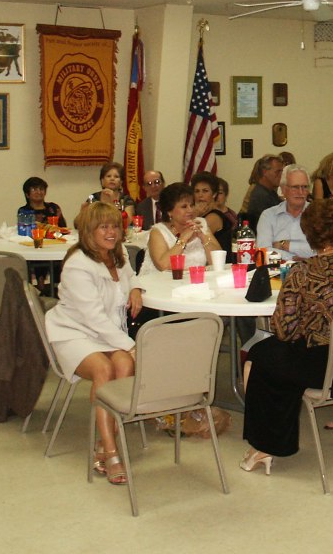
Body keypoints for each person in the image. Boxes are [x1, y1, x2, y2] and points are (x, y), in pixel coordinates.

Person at [240, 199, 333, 473]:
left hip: (324, 367)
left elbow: (284, 330)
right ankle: (271, 439)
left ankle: (265, 445)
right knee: (273, 354)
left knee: (259, 355)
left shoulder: (303, 272)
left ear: (310, 233)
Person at [44, 202, 142, 485]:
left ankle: (103, 439)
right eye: (104, 227)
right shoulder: (77, 265)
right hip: (73, 332)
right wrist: (131, 344)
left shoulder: (119, 253)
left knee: (124, 363)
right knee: (104, 370)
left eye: (115, 226)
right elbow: (93, 318)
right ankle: (111, 452)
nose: (112, 233)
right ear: (88, 232)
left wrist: (135, 288)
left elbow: (132, 276)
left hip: (106, 332)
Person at [139, 182, 221, 276]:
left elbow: (218, 261)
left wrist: (203, 237)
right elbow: (163, 266)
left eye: (192, 205)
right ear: (169, 211)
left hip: (194, 283)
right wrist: (183, 239)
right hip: (160, 284)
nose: (190, 210)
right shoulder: (158, 231)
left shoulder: (201, 224)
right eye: (184, 206)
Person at [256, 164, 315, 262]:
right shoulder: (268, 216)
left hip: (314, 272)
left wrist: (284, 245)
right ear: (283, 189)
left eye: (304, 187)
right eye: (295, 187)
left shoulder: (319, 215)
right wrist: (292, 258)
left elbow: (322, 250)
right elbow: (263, 251)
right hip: (276, 272)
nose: (301, 192)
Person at [191, 172, 233, 254]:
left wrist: (195, 214)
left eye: (205, 191)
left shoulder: (215, 216)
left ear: (214, 194)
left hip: (219, 263)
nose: (200, 195)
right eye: (197, 191)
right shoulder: (200, 213)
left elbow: (193, 239)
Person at [244, 154, 283, 226]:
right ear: (264, 172)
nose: (281, 175)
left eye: (282, 171)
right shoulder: (260, 195)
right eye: (278, 172)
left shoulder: (270, 192)